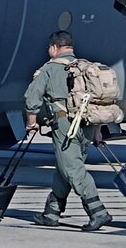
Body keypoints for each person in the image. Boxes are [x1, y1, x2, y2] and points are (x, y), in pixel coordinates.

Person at [24, 30, 112, 231]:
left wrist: (31, 123)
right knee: (66, 166)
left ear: (54, 48)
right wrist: (98, 132)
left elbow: (32, 99)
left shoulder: (49, 69)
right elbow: (100, 101)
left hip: (65, 125)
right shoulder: (86, 67)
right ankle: (52, 213)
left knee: (73, 169)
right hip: (88, 125)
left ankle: (98, 211)